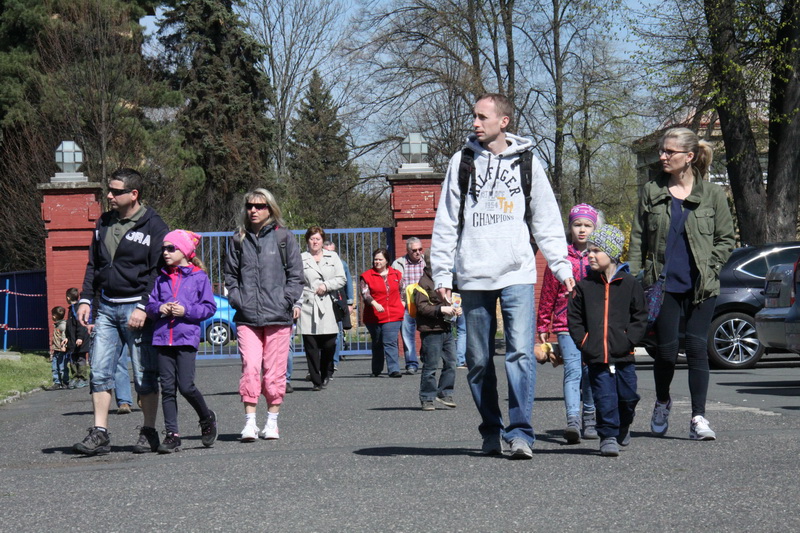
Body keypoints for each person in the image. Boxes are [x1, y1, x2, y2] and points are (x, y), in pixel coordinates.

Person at [431, 93, 575, 459]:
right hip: (473, 275)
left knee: (521, 355)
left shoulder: (527, 162)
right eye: (474, 117)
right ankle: (491, 429)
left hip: (517, 273)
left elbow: (545, 218)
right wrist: (443, 274)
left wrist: (561, 266)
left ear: (504, 121)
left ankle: (522, 432)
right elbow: (446, 221)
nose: (475, 123)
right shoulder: (461, 162)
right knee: (478, 361)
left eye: (482, 117)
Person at [628, 127, 735, 441]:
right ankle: (662, 402)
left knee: (698, 348)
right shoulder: (651, 190)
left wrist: (711, 267)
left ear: (688, 157)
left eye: (669, 152)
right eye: (662, 150)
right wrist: (635, 278)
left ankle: (698, 417)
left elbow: (726, 239)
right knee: (665, 352)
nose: (663, 156)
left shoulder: (713, 195)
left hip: (702, 286)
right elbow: (637, 239)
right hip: (663, 286)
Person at [73, 168, 169, 456]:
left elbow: (158, 272)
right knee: (100, 371)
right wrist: (87, 298)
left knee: (144, 374)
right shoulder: (103, 222)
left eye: (115, 191)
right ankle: (100, 433)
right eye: (109, 190)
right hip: (106, 307)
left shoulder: (154, 226)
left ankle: (149, 431)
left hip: (137, 309)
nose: (110, 196)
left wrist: (143, 306)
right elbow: (94, 264)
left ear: (133, 194)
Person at [224, 188, 303, 442]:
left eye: (259, 206)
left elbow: (296, 276)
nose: (253, 211)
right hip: (247, 316)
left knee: (274, 372)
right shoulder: (238, 239)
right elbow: (230, 276)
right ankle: (249, 423)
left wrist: (286, 301)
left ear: (270, 208)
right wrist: (237, 299)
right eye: (249, 206)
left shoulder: (284, 238)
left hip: (278, 317)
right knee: (250, 367)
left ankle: (272, 422)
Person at [567, 224, 648, 456]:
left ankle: (624, 424)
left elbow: (640, 316)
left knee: (628, 396)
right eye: (589, 251)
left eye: (596, 251)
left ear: (611, 254)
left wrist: (629, 340)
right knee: (604, 397)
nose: (590, 255)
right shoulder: (584, 286)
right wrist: (584, 342)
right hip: (596, 356)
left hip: (623, 354)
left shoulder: (630, 284)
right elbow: (574, 317)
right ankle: (608, 436)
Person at [145, 229, 218, 453]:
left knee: (186, 386)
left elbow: (209, 307)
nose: (165, 253)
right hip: (162, 340)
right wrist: (160, 308)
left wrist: (186, 310)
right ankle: (172, 435)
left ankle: (206, 418)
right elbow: (150, 306)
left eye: (171, 248)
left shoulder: (199, 277)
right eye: (163, 249)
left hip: (185, 338)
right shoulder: (161, 278)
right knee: (167, 389)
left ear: (184, 251)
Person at [537, 203, 600, 443]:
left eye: (587, 225)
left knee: (591, 371)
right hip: (565, 324)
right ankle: (572, 420)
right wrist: (543, 325)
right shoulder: (560, 257)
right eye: (577, 225)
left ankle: (590, 418)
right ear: (570, 227)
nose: (582, 230)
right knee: (573, 371)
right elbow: (548, 293)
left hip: (593, 325)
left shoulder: (599, 256)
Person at [299, 227, 346, 391]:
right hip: (308, 305)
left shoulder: (332, 257)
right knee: (311, 346)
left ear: (322, 241)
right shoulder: (301, 259)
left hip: (327, 303)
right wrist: (296, 305)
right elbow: (296, 283)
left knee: (329, 344)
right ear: (307, 241)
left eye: (318, 239)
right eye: (312, 239)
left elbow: (341, 279)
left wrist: (326, 285)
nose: (315, 242)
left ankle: (327, 371)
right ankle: (316, 380)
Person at [414, 250, 461, 411]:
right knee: (431, 365)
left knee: (451, 362)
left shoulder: (445, 280)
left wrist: (456, 309)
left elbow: (453, 299)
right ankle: (427, 397)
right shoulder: (423, 283)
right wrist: (442, 310)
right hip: (431, 330)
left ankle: (445, 393)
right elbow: (421, 307)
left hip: (446, 328)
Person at [361, 248, 405, 378]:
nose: (377, 262)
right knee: (378, 341)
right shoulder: (366, 276)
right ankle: (377, 368)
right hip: (373, 316)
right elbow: (365, 294)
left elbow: (402, 291)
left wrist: (402, 305)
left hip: (393, 314)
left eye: (380, 259)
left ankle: (394, 369)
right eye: (375, 259)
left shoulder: (396, 274)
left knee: (390, 341)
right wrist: (374, 303)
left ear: (387, 261)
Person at [392, 237, 425, 374]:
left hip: (425, 304)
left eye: (420, 249)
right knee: (407, 335)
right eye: (414, 250)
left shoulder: (427, 262)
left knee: (427, 333)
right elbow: (393, 284)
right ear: (407, 250)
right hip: (406, 304)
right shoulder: (398, 264)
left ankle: (426, 356)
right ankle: (411, 363)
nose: (418, 252)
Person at [323, 240, 354, 370]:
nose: (330, 254)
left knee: (338, 333)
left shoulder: (342, 264)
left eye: (333, 251)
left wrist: (350, 302)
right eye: (328, 251)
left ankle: (333, 362)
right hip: (321, 302)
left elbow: (348, 283)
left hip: (338, 302)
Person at [65, 288, 90, 389]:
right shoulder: (71, 309)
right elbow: (70, 325)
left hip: (80, 340)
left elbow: (80, 324)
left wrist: (80, 337)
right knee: (73, 359)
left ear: (68, 297)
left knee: (80, 359)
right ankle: (75, 377)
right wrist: (67, 337)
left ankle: (83, 378)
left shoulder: (77, 309)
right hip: (72, 340)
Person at [47, 306, 69, 391]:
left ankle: (65, 382)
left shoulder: (62, 326)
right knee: (55, 367)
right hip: (56, 350)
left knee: (62, 367)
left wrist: (63, 347)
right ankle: (57, 382)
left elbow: (64, 337)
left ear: (55, 316)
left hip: (61, 350)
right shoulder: (57, 325)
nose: (52, 316)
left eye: (52, 315)